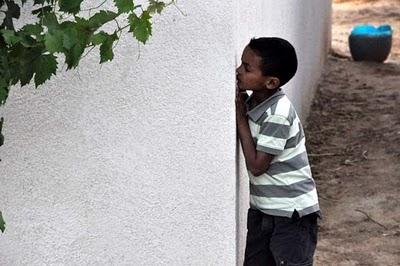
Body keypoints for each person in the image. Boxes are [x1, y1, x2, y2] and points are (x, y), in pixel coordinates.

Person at [236, 37, 321, 266]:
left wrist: (241, 119)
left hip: (292, 217)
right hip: (263, 211)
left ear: (271, 83)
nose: (238, 71)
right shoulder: (254, 102)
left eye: (246, 68)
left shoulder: (277, 113)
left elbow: (257, 166)